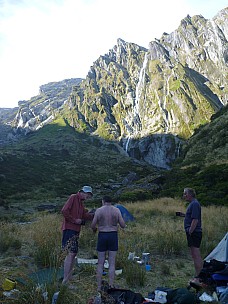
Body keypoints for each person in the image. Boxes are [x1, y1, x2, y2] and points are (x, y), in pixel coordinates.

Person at [91, 196, 126, 291]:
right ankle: (111, 286)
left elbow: (93, 225)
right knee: (112, 262)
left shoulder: (99, 210)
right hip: (113, 235)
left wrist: (95, 229)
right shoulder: (116, 210)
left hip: (102, 235)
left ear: (103, 201)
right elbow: (123, 225)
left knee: (100, 263)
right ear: (111, 202)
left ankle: (98, 287)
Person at [61, 185, 94, 284]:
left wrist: (96, 214)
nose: (88, 197)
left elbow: (84, 215)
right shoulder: (73, 197)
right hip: (69, 228)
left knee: (73, 253)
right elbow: (64, 211)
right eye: (88, 194)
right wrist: (74, 220)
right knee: (71, 253)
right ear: (82, 192)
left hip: (75, 230)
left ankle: (69, 278)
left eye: (89, 195)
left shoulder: (81, 203)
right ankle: (65, 281)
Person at [180, 187, 203, 277]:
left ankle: (199, 276)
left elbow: (195, 219)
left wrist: (190, 231)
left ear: (190, 194)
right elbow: (192, 216)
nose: (184, 195)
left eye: (185, 194)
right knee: (194, 254)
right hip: (193, 232)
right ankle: (198, 275)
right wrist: (185, 216)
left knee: (196, 254)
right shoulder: (193, 204)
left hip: (194, 232)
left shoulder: (194, 204)